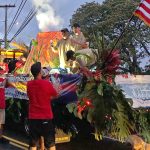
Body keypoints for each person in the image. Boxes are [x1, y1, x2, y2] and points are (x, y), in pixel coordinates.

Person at [27, 62, 58, 150]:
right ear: (40, 72)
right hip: (46, 116)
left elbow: (30, 96)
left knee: (33, 144)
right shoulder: (47, 84)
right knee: (50, 144)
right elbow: (55, 95)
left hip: (33, 117)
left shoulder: (29, 84)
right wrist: (47, 98)